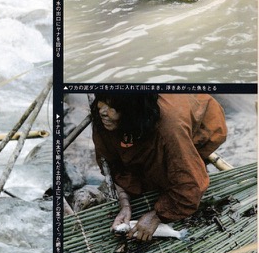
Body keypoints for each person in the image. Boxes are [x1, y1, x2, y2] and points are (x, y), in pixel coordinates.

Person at [90, 93, 227, 242]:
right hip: (140, 125)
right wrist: (124, 203)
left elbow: (190, 187)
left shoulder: (169, 129)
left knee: (182, 169)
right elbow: (114, 165)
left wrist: (157, 216)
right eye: (101, 102)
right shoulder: (104, 120)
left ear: (131, 111)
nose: (103, 111)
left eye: (112, 107)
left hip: (196, 120)